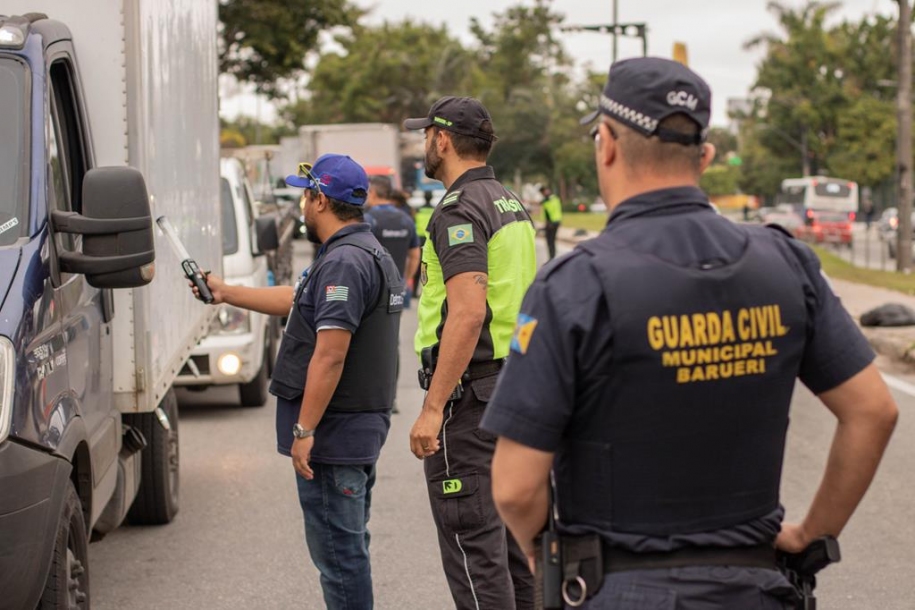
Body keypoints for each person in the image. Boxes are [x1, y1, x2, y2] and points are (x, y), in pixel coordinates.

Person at [481, 57, 899, 609]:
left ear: (604, 144)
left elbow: (514, 486)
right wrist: (809, 534)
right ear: (703, 157)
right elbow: (873, 410)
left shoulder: (575, 283)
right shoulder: (786, 262)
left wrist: (546, 559)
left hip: (619, 587)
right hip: (758, 586)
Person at [193, 154, 403, 610]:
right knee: (346, 551)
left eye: (304, 197)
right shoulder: (357, 252)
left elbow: (330, 354)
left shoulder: (345, 263)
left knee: (340, 559)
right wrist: (225, 291)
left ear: (320, 199)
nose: (301, 207)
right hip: (354, 429)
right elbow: (296, 297)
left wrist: (305, 431)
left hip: (335, 434)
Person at [403, 96, 538, 609]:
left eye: (425, 137)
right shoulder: (510, 201)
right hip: (513, 391)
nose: (423, 146)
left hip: (472, 403)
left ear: (442, 139)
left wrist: (434, 408)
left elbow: (467, 312)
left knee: (475, 552)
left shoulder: (460, 209)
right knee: (511, 554)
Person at [364, 175, 420, 306]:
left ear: (372, 193)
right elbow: (415, 255)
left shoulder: (367, 219)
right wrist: (405, 280)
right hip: (396, 289)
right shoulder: (406, 219)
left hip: (371, 290)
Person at [412, 191, 435, 297]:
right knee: (429, 266)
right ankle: (425, 291)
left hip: (418, 239)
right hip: (429, 240)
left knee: (417, 267)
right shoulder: (435, 210)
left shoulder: (418, 210)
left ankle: (413, 292)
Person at [540, 185, 562, 260]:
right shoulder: (552, 199)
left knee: (550, 241)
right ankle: (552, 257)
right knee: (550, 241)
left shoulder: (549, 200)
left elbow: (549, 210)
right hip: (553, 222)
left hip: (552, 223)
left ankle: (552, 258)